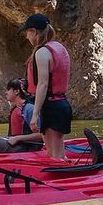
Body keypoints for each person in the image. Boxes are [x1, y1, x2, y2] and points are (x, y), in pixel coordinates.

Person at [19, 13, 72, 159]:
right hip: (60, 103)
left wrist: (34, 115)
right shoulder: (58, 47)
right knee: (55, 152)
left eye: (28, 33)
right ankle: (62, 170)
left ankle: (62, 178)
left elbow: (42, 84)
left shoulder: (42, 52)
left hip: (52, 105)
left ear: (34, 32)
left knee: (56, 156)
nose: (27, 37)